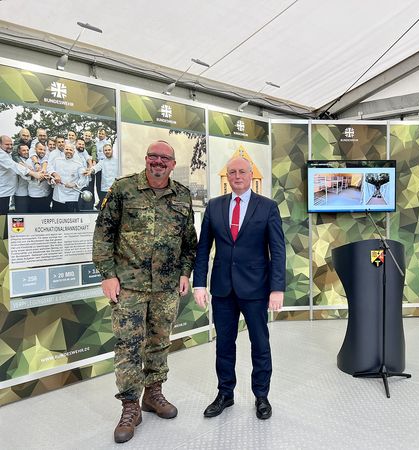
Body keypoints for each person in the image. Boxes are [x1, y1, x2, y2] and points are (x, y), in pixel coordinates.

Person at [92, 140, 197, 444]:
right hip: (129, 285)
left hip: (166, 287)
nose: (158, 161)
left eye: (165, 158)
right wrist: (108, 275)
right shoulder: (124, 190)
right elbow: (103, 235)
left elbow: (190, 242)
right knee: (128, 346)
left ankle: (153, 394)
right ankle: (129, 407)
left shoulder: (183, 196)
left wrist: (184, 272)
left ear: (173, 164)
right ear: (147, 159)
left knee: (160, 342)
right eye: (154, 156)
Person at [193, 156, 285, 421]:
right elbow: (203, 249)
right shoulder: (214, 206)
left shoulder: (267, 207)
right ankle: (225, 394)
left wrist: (276, 288)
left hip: (256, 289)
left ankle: (261, 396)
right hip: (222, 290)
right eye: (231, 172)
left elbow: (277, 251)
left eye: (242, 172)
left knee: (260, 344)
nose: (236, 176)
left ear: (251, 174)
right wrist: (200, 282)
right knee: (224, 345)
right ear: (228, 176)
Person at [0, 135, 43, 214]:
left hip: (7, 192)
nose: (10, 146)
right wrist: (33, 174)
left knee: (5, 215)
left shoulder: (8, 154)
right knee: (2, 217)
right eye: (7, 144)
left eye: (11, 144)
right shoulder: (1, 155)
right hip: (2, 193)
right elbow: (14, 166)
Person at [48, 142, 89, 213]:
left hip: (72, 197)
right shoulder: (57, 161)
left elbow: (84, 178)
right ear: (64, 150)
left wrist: (75, 184)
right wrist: (53, 179)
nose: (68, 151)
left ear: (74, 151)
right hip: (58, 196)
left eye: (70, 150)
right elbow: (49, 170)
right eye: (67, 149)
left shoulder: (78, 164)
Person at [89, 143, 118, 208]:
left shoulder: (118, 161)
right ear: (103, 152)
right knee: (105, 207)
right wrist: (90, 170)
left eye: (109, 150)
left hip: (116, 188)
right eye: (105, 150)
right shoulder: (102, 162)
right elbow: (95, 168)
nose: (107, 151)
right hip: (105, 189)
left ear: (112, 150)